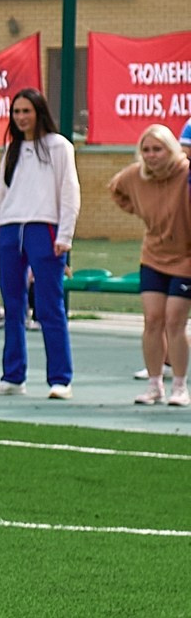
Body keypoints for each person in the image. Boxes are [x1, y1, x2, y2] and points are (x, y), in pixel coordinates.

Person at [0, 87, 80, 399]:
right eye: (16, 112)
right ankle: (13, 376)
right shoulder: (12, 149)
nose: (21, 118)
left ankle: (60, 379)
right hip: (10, 231)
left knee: (50, 306)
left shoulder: (59, 146)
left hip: (45, 231)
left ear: (39, 111)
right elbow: (0, 193)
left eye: (26, 111)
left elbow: (69, 192)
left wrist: (65, 236)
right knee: (13, 306)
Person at [108, 124, 191, 407]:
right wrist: (138, 210)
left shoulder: (186, 173)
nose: (152, 155)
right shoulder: (136, 175)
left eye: (158, 149)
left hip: (186, 257)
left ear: (171, 149)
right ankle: (154, 384)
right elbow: (116, 190)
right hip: (153, 255)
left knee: (174, 320)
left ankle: (180, 385)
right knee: (152, 319)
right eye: (146, 150)